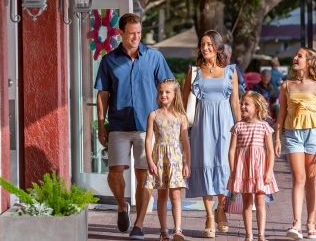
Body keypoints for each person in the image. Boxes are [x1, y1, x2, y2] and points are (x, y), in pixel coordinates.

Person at [95, 13, 174, 240]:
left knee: (144, 176)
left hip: (147, 127)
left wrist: (167, 116)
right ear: (121, 33)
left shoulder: (154, 57)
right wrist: (102, 125)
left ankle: (138, 224)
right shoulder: (109, 60)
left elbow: (168, 87)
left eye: (139, 33)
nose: (136, 37)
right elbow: (103, 94)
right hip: (119, 124)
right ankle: (122, 206)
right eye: (131, 33)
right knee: (114, 173)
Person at [274, 47, 316, 240]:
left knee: (310, 180)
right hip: (293, 134)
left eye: (300, 56)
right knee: (298, 178)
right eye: (296, 55)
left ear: (309, 62)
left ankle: (311, 222)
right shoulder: (286, 85)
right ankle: (296, 223)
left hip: (313, 134)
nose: (295, 58)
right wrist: (277, 138)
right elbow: (281, 114)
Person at [182, 30, 241, 238]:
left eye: (208, 44)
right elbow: (183, 104)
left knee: (225, 167)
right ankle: (208, 216)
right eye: (202, 44)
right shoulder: (194, 72)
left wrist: (240, 127)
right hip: (202, 125)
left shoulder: (230, 71)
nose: (205, 48)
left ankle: (221, 208)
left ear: (217, 47)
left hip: (225, 124)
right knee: (206, 164)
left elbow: (235, 102)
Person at [227, 91, 279, 241]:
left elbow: (269, 150)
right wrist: (232, 170)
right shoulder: (238, 126)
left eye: (246, 104)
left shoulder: (264, 126)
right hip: (243, 169)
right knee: (246, 202)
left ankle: (261, 234)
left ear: (256, 107)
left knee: (261, 200)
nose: (242, 106)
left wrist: (269, 171)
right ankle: (248, 235)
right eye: (242, 103)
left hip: (259, 169)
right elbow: (231, 150)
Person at [144, 79, 191, 241]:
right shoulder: (153, 115)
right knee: (161, 196)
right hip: (159, 158)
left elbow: (185, 142)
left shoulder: (181, 117)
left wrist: (187, 163)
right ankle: (164, 230)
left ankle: (178, 230)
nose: (163, 95)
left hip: (176, 159)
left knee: (176, 196)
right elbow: (148, 140)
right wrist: (150, 161)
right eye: (161, 92)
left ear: (174, 94)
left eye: (167, 92)